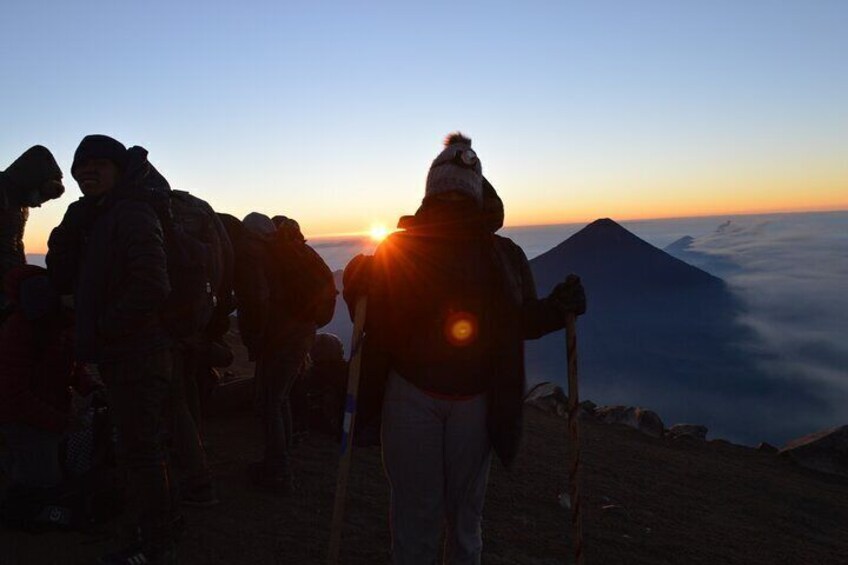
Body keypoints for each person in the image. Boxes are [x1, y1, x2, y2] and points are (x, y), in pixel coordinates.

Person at [343, 133, 586, 564]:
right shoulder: (482, 254)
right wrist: (355, 285)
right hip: (459, 402)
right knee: (456, 521)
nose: (452, 198)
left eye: (458, 189)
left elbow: (520, 319)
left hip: (417, 399)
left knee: (430, 520)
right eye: (446, 190)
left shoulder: (487, 254)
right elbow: (375, 315)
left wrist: (554, 309)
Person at [47, 135, 177, 565]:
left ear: (119, 169)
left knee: (140, 449)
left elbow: (152, 285)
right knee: (139, 445)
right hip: (126, 351)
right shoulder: (100, 216)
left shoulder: (134, 213)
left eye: (97, 166)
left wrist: (103, 329)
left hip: (137, 351)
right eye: (80, 169)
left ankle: (153, 543)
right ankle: (156, 525)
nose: (87, 173)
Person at [0, 145, 64, 304]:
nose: (40, 201)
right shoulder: (4, 194)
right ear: (30, 180)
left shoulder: (18, 202)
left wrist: (20, 272)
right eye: (42, 192)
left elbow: (14, 244)